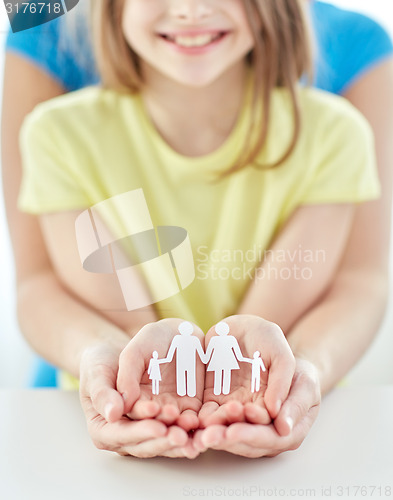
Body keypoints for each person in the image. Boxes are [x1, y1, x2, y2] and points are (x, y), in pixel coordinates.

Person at [1, 0, 392, 460]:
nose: (189, 9)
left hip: (303, 452)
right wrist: (110, 361)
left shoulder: (335, 135)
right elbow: (42, 285)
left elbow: (353, 284)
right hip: (91, 452)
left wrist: (297, 369)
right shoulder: (57, 136)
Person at [204, 322, 246, 396]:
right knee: (223, 374)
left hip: (224, 359)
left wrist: (205, 359)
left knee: (221, 374)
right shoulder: (219, 339)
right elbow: (209, 350)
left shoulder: (227, 339)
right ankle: (221, 390)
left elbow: (237, 350)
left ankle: (221, 390)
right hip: (223, 360)